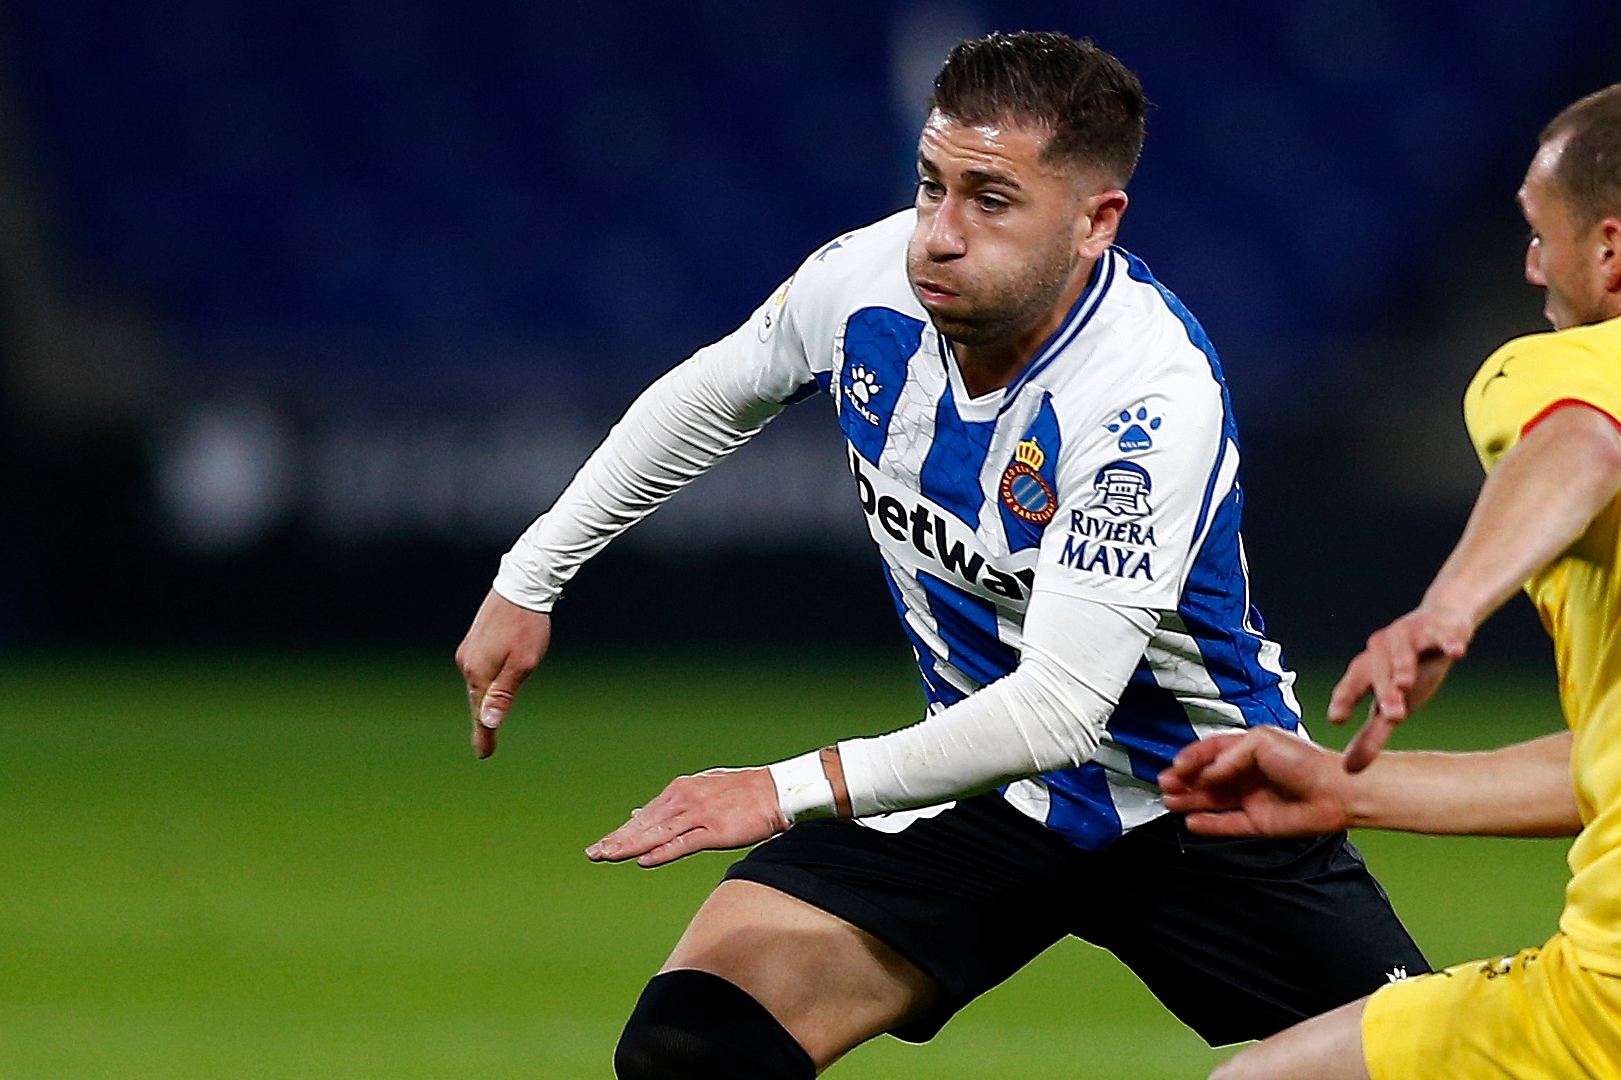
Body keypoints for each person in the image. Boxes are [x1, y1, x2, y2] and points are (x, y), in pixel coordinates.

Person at [454, 31, 1427, 1080]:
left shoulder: (1145, 400)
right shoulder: (867, 279)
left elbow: (1060, 709)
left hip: (1197, 799)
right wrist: (530, 576)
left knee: (1437, 1066)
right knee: (692, 1047)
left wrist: (779, 789)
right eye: (932, 186)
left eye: (991, 200)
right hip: (978, 782)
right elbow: (714, 393)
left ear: (1097, 222)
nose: (939, 236)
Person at [1162, 75, 1621, 1080]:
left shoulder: (1582, 367)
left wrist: (1450, 605)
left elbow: (1582, 447)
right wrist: (1350, 789)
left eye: (1538, 230)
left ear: (1610, 251)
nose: (1530, 263)